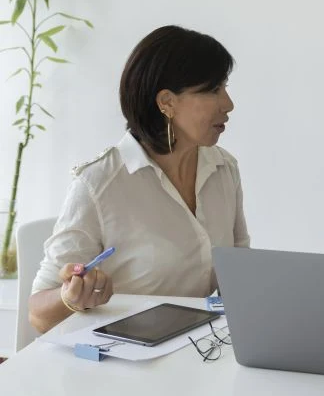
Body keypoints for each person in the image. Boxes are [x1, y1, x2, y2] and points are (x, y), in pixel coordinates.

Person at [29, 25, 250, 333]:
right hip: (122, 365)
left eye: (224, 87)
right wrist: (71, 298)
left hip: (198, 351)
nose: (228, 104)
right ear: (167, 102)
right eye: (213, 90)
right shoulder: (99, 185)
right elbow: (38, 314)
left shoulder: (224, 169)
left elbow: (239, 278)